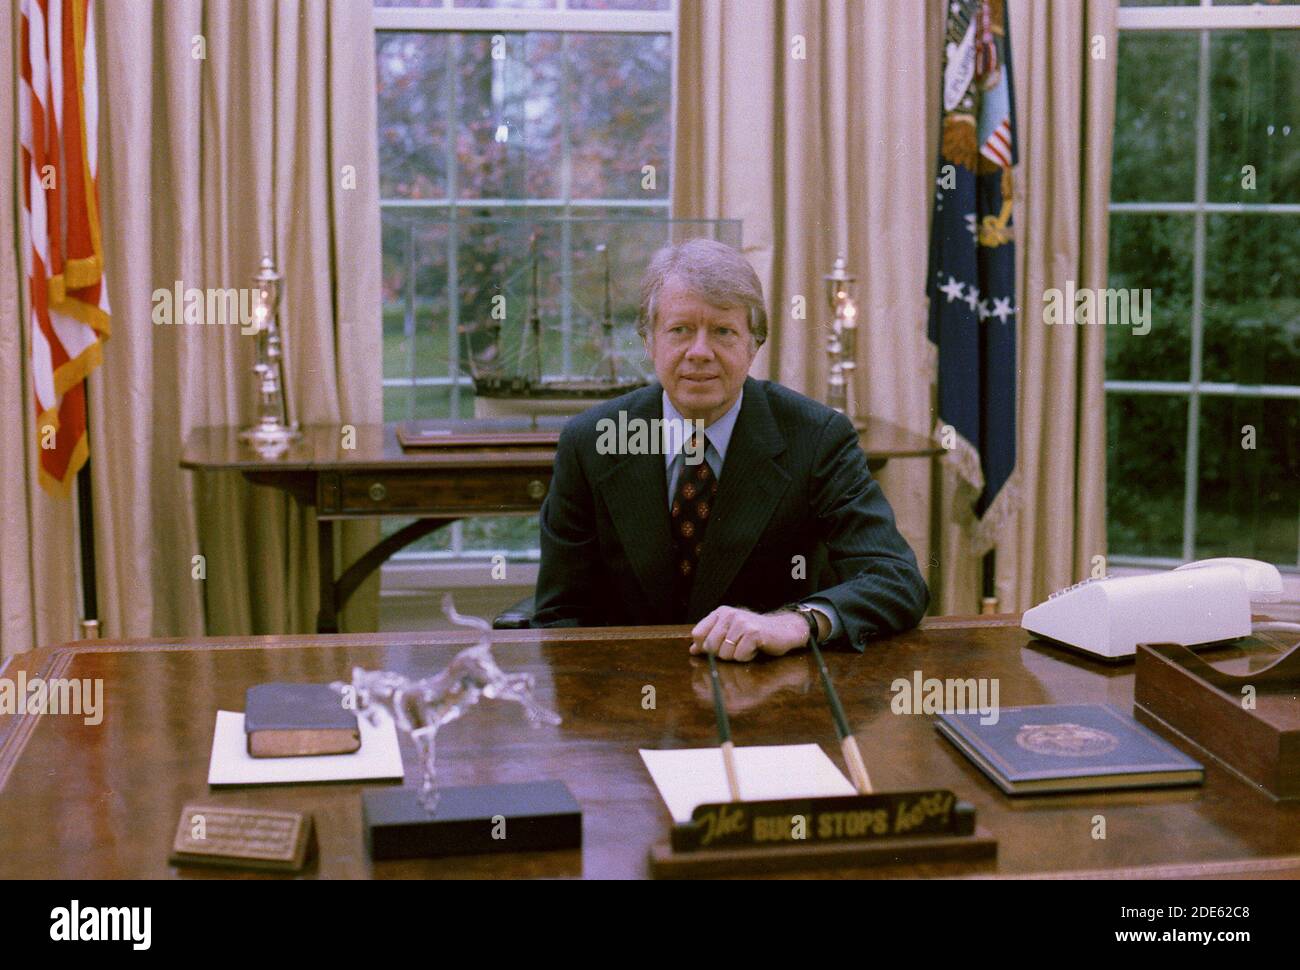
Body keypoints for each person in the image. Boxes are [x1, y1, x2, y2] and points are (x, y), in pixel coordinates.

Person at [532, 238, 928, 661]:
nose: (700, 352)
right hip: (631, 696)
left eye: (722, 332)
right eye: (680, 330)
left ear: (753, 345)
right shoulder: (591, 441)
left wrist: (793, 622)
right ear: (649, 342)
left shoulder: (817, 438)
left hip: (769, 697)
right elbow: (560, 616)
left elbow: (896, 580)